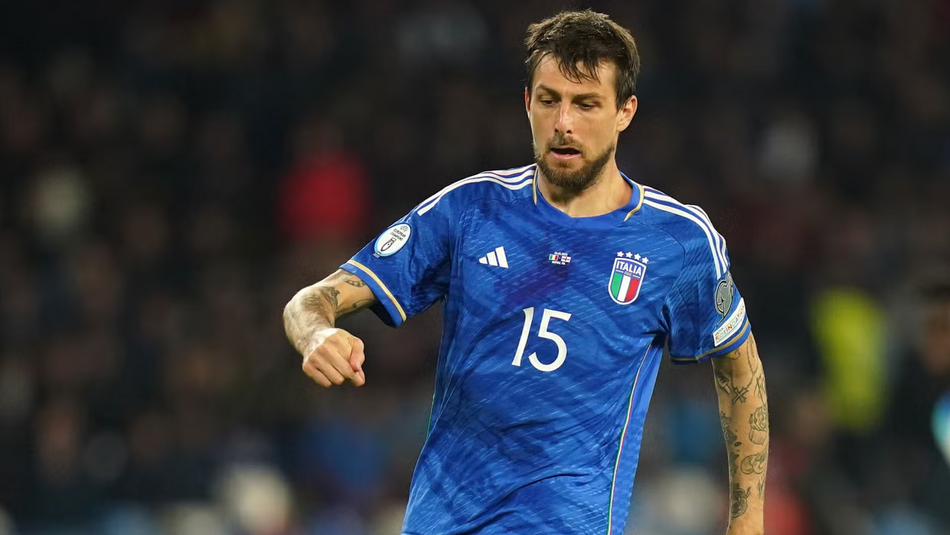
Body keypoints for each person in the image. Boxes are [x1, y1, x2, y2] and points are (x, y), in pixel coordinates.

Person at [284, 10, 768, 535]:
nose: (563, 122)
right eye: (549, 100)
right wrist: (317, 334)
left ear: (625, 111)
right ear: (527, 103)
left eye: (586, 104)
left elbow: (740, 369)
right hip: (442, 522)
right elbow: (312, 300)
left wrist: (747, 523)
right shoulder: (470, 209)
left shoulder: (677, 240)